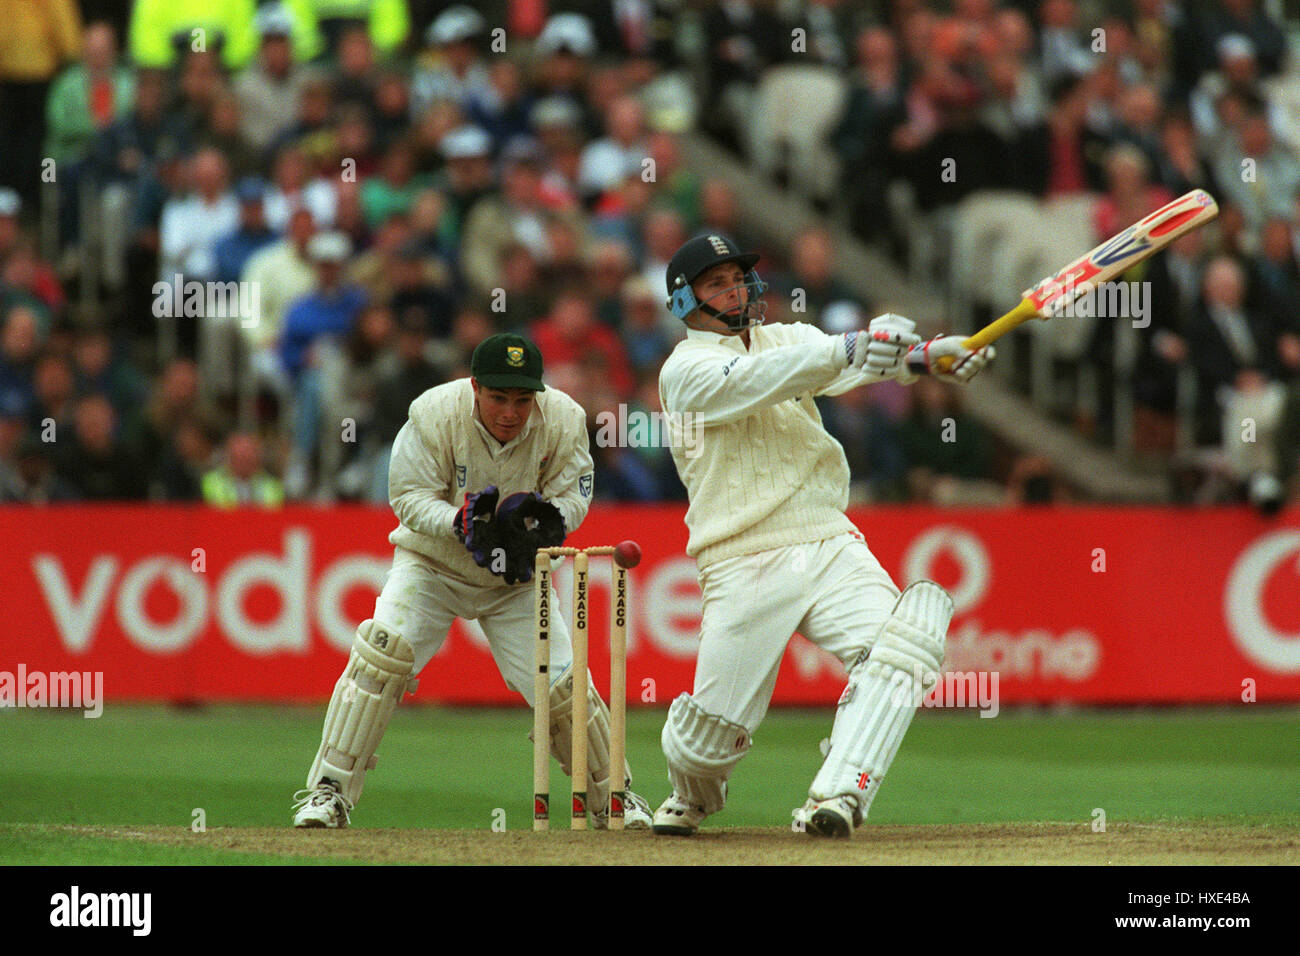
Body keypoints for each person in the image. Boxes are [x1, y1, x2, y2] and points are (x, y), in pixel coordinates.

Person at [650, 234, 993, 838]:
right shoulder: (685, 372)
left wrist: (929, 356)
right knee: (704, 746)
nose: (733, 291)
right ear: (685, 303)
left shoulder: (788, 336)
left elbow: (848, 364)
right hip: (741, 555)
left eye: (737, 278)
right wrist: (853, 345)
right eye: (715, 284)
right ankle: (692, 792)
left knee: (905, 644)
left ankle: (839, 795)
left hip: (826, 535)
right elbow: (770, 376)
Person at [292, 332, 654, 829]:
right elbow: (408, 497)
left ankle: (615, 797)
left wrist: (547, 521)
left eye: (523, 400)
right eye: (499, 398)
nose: (511, 412)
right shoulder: (434, 413)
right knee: (381, 657)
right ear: (476, 387)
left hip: (516, 581)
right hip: (433, 566)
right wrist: (461, 523)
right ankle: (328, 792)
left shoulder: (564, 420)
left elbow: (574, 495)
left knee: (566, 688)